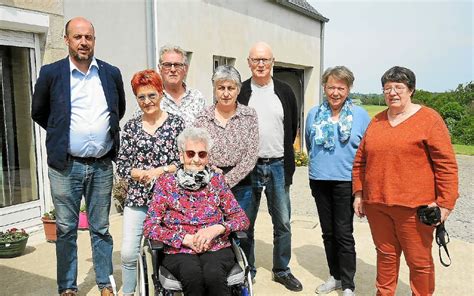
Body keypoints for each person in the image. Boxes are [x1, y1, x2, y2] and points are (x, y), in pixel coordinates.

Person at [31, 17, 126, 296]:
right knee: (65, 229)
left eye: (89, 37)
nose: (84, 42)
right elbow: (39, 112)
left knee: (101, 228)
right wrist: (63, 132)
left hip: (101, 165)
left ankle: (105, 283)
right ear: (67, 40)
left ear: (94, 40)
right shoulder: (51, 73)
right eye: (77, 37)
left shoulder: (110, 73)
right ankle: (68, 287)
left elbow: (117, 110)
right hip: (66, 166)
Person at [352, 66, 459, 295]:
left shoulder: (429, 119)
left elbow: (446, 165)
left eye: (398, 87)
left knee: (419, 262)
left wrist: (445, 204)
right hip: (377, 205)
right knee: (386, 256)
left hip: (415, 207)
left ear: (411, 89)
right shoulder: (377, 121)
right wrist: (359, 193)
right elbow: (360, 160)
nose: (392, 93)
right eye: (387, 88)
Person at [143, 127, 250, 296]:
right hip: (179, 250)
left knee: (214, 275)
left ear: (207, 157)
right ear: (181, 155)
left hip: (216, 246)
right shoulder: (166, 183)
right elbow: (150, 226)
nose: (196, 159)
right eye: (190, 153)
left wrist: (217, 229)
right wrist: (184, 238)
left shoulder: (217, 181)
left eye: (202, 154)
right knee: (192, 276)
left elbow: (241, 219)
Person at [236, 41, 302, 291]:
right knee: (245, 223)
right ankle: (246, 269)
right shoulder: (241, 91)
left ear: (272, 62)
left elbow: (292, 125)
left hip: (277, 165)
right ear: (248, 63)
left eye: (265, 60)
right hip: (248, 167)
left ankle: (282, 270)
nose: (260, 64)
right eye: (256, 60)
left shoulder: (284, 91)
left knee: (283, 222)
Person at [116, 70, 185, 296]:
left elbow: (184, 162)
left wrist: (159, 171)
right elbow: (123, 165)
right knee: (128, 252)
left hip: (168, 201)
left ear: (161, 93)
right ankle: (128, 292)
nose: (147, 101)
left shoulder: (176, 124)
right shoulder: (132, 127)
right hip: (138, 199)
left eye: (152, 95)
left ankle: (164, 291)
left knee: (166, 251)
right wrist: (139, 174)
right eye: (141, 97)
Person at [305, 66, 370, 296]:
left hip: (346, 182)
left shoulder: (360, 115)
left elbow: (367, 151)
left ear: (348, 89)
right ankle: (335, 276)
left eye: (340, 88)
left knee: (343, 232)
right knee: (328, 232)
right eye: (331, 86)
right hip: (320, 180)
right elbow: (309, 143)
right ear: (324, 87)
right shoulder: (314, 114)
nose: (335, 92)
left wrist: (362, 189)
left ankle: (348, 283)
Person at [193, 65, 259, 217]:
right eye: (221, 88)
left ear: (238, 90)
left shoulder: (249, 115)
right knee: (213, 229)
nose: (226, 93)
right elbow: (197, 150)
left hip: (243, 185)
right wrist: (214, 173)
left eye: (231, 88)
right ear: (215, 89)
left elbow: (252, 153)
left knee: (242, 232)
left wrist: (228, 180)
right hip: (210, 183)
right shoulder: (203, 117)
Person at [158, 45, 206, 126]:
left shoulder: (197, 97)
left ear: (185, 69)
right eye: (167, 65)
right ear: (160, 68)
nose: (173, 70)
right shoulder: (151, 99)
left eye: (177, 65)